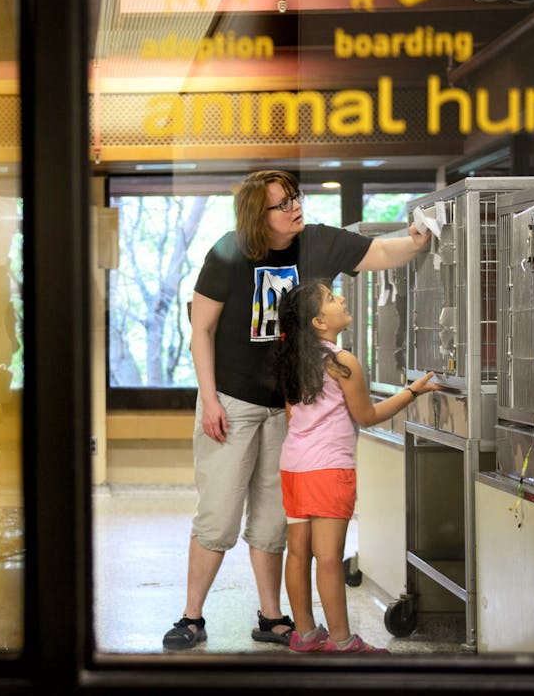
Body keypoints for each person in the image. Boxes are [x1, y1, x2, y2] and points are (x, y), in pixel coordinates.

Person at [162, 169, 430, 650]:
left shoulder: (319, 243)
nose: (295, 208)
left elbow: (381, 253)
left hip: (288, 410)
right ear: (256, 216)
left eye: (295, 198)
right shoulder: (228, 251)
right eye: (282, 204)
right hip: (232, 400)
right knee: (219, 516)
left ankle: (271, 618)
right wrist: (209, 400)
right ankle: (191, 616)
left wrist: (416, 239)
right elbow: (200, 329)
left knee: (272, 522)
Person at [272, 280, 441, 654]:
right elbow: (367, 415)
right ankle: (343, 642)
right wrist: (413, 391)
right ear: (318, 321)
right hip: (330, 468)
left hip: (295, 466)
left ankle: (305, 634)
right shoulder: (341, 361)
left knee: (299, 552)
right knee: (330, 556)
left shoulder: (293, 361)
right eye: (332, 299)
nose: (342, 299)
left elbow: (290, 416)